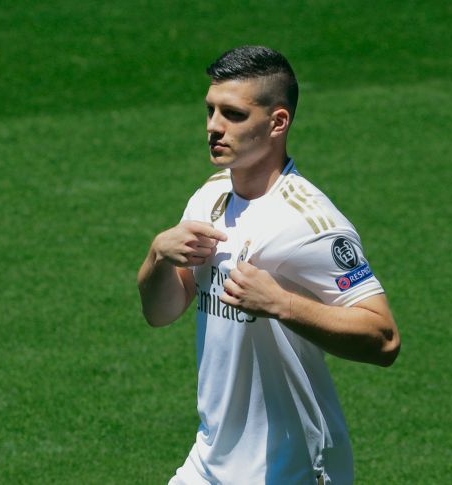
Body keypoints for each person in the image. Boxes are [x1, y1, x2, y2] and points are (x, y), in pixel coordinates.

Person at [136, 45, 400, 485]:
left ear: (277, 122)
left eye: (233, 115)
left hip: (291, 468)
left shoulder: (310, 223)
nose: (213, 127)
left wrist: (282, 304)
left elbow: (385, 339)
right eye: (210, 111)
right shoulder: (210, 196)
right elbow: (160, 312)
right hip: (210, 460)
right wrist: (158, 256)